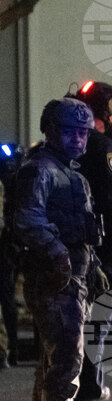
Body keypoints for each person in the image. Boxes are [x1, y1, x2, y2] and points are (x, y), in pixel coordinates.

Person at [13, 98, 104, 401]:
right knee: (66, 361)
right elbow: (27, 219)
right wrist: (59, 255)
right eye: (71, 131)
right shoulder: (40, 170)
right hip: (54, 280)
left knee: (59, 362)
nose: (79, 139)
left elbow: (82, 228)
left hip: (73, 278)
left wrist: (92, 265)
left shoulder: (73, 175)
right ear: (50, 130)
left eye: (83, 132)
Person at [69, 80, 112, 401]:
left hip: (65, 251)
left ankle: (68, 399)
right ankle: (87, 400)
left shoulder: (63, 146)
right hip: (97, 254)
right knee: (95, 327)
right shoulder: (103, 147)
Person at [0, 142, 25, 369]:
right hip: (11, 246)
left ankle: (12, 350)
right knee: (8, 299)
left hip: (13, 246)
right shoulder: (18, 182)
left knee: (10, 300)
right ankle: (11, 350)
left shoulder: (19, 183)